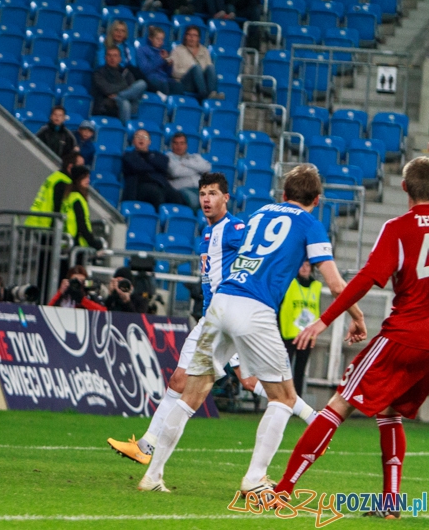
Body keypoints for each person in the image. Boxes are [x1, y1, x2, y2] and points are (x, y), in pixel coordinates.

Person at [136, 165, 366, 494]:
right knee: (283, 398)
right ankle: (255, 478)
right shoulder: (310, 224)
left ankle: (153, 476)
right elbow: (335, 284)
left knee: (190, 396)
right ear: (316, 200)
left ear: (284, 195)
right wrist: (357, 316)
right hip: (255, 309)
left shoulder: (257, 215)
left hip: (221, 302)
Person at [107, 172, 317, 467]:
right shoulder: (208, 233)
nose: (207, 199)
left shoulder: (234, 228)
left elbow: (259, 252)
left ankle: (147, 447)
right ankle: (314, 418)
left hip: (224, 315)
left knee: (181, 381)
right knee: (246, 380)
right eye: (203, 193)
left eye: (213, 193)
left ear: (226, 198)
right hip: (221, 317)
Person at [273, 157, 429, 519]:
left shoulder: (398, 227)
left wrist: (325, 320)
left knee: (339, 404)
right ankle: (390, 504)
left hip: (403, 335)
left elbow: (367, 278)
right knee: (389, 412)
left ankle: (282, 491)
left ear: (404, 188)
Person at [278, 260, 321, 397]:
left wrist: (315, 333)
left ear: (311, 268)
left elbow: (317, 311)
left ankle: (296, 402)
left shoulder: (316, 286)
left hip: (306, 335)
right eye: (301, 264)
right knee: (285, 370)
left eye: (307, 265)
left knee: (300, 371)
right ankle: (281, 398)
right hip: (288, 333)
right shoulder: (290, 283)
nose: (304, 268)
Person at [122, 130, 186, 208]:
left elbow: (163, 165)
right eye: (138, 137)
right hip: (139, 186)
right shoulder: (129, 156)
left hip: (161, 184)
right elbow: (138, 167)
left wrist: (146, 162)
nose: (141, 139)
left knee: (177, 195)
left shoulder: (157, 155)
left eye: (145, 137)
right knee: (156, 193)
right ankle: (158, 218)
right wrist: (154, 166)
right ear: (133, 141)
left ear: (149, 141)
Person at [26, 152, 83, 229]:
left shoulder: (54, 177)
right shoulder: (64, 183)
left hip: (34, 223)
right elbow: (57, 209)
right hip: (45, 227)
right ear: (70, 167)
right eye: (81, 166)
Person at [92, 47, 147, 125]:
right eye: (109, 55)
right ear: (105, 58)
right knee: (125, 103)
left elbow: (133, 89)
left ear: (120, 59)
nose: (112, 58)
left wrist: (118, 94)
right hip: (108, 104)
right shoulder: (99, 73)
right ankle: (124, 132)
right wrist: (125, 87)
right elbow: (108, 89)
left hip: (127, 101)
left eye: (115, 56)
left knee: (142, 83)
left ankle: (120, 96)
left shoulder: (126, 72)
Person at [170, 26, 221, 102]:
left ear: (198, 38)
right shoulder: (178, 50)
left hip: (202, 82)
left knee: (211, 67)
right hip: (186, 82)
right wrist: (190, 72)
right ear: (185, 36)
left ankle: (212, 93)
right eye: (189, 35)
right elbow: (173, 72)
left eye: (194, 35)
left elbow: (208, 70)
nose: (191, 38)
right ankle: (206, 97)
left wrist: (199, 75)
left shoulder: (204, 51)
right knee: (196, 68)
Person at [61, 165, 104, 250]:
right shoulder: (77, 198)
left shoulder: (69, 196)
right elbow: (82, 224)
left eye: (88, 177)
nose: (88, 180)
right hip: (75, 242)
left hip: (66, 240)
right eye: (85, 178)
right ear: (78, 179)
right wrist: (93, 243)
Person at [166, 132, 212, 210]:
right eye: (176, 143)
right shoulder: (168, 157)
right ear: (172, 145)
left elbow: (207, 167)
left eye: (182, 143)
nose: (179, 146)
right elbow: (176, 172)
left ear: (186, 145)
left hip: (200, 187)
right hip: (182, 188)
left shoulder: (195, 157)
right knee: (195, 202)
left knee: (223, 202)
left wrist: (185, 163)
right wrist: (197, 170)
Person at [136, 26, 183, 97]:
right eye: (157, 39)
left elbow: (168, 73)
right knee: (163, 83)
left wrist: (169, 65)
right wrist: (160, 59)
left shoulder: (163, 52)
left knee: (178, 86)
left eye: (162, 39)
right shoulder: (142, 50)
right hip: (150, 78)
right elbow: (144, 69)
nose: (160, 42)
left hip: (164, 78)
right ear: (150, 38)